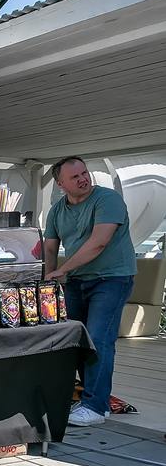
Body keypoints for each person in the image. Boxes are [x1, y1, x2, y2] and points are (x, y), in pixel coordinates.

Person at [43, 156, 136, 427]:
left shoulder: (108, 199)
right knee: (76, 341)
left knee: (98, 339)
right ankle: (89, 399)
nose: (83, 178)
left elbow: (98, 243)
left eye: (84, 173)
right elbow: (50, 246)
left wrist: (63, 270)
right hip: (76, 281)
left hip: (112, 279)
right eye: (75, 176)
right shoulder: (57, 210)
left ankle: (96, 406)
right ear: (61, 184)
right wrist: (50, 276)